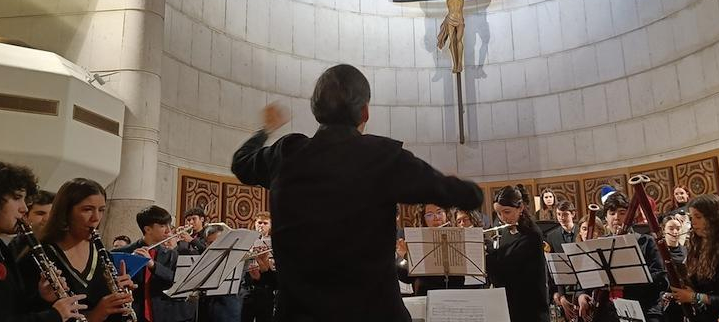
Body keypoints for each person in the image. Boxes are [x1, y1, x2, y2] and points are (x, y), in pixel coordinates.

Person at [231, 64, 483, 321]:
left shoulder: (285, 153)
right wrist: (455, 184)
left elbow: (240, 163)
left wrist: (266, 129)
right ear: (364, 111)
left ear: (316, 110)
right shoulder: (384, 158)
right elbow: (470, 197)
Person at [30, 178, 136, 322]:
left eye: (101, 210)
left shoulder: (101, 254)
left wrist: (121, 298)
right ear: (66, 211)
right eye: (87, 210)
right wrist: (96, 314)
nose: (96, 218)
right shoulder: (40, 254)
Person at [0, 161, 87, 322]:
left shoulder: (0, 247)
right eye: (16, 198)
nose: (24, 208)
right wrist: (54, 315)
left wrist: (42, 297)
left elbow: (11, 308)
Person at [577, 192, 667, 322]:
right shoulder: (599, 244)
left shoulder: (646, 242)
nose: (616, 218)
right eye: (612, 213)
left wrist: (626, 285)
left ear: (632, 216)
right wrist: (581, 295)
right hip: (608, 311)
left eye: (622, 212)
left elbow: (661, 279)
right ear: (606, 218)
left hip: (643, 308)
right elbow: (587, 276)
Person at [404, 0, 505, 73]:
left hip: (459, 18)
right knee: (452, 41)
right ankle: (455, 64)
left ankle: (460, 63)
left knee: (459, 40)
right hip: (450, 18)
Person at [669, 194, 719, 322]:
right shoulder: (696, 247)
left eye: (698, 217)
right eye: (692, 217)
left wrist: (693, 297)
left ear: (714, 218)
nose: (693, 222)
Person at [112, 205, 190, 322]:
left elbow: (176, 280)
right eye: (163, 226)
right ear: (148, 229)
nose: (169, 230)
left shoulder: (171, 254)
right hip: (132, 315)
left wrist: (153, 265)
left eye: (169, 225)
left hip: (162, 315)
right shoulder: (121, 253)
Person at [485, 185, 548, 321]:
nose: (502, 218)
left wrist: (489, 251)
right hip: (511, 304)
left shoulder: (532, 235)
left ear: (520, 208)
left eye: (506, 212)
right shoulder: (507, 231)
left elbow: (507, 270)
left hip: (530, 309)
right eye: (498, 213)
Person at [397, 204, 465, 295]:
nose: (436, 217)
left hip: (457, 294)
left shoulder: (459, 237)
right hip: (426, 295)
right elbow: (405, 278)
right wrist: (406, 256)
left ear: (446, 214)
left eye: (439, 212)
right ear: (423, 219)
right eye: (429, 215)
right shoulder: (416, 241)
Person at [242, 212, 277, 322]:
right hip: (249, 286)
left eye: (265, 223)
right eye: (259, 223)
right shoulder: (249, 240)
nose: (261, 225)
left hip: (266, 286)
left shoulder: (275, 241)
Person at [9, 189, 55, 256]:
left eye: (53, 214)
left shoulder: (59, 246)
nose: (47, 219)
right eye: (40, 213)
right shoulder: (15, 246)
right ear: (25, 217)